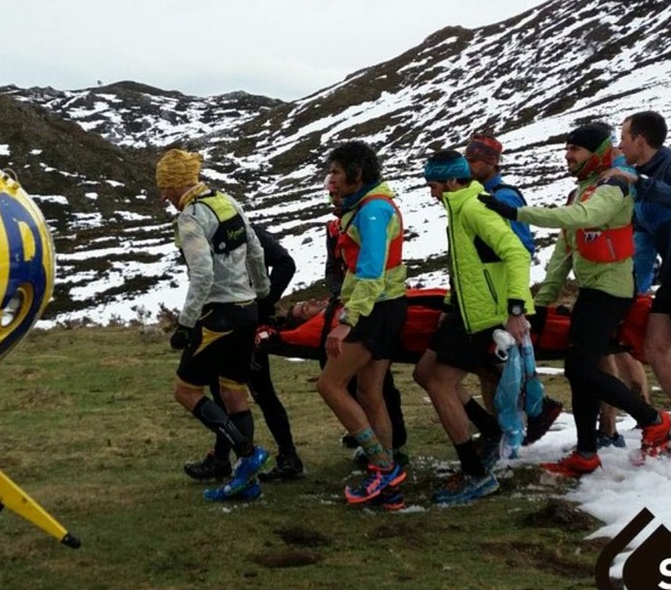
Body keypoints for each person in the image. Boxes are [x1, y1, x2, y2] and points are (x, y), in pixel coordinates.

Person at [481, 122, 671, 475]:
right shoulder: (582, 191)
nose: (567, 156)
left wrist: (515, 212)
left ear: (596, 153)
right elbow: (564, 253)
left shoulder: (613, 186)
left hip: (612, 290)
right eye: (567, 149)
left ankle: (654, 419)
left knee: (580, 367)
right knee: (580, 372)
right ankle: (586, 452)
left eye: (575, 150)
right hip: (592, 290)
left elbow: (585, 218)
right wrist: (541, 304)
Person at [414, 150, 533, 504]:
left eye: (434, 186)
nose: (432, 193)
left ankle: (475, 474)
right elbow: (468, 267)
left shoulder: (475, 208)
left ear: (453, 181)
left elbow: (516, 252)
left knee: (439, 382)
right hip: (465, 313)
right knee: (424, 373)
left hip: (485, 316)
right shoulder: (460, 209)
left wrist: (515, 309)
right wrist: (450, 305)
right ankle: (491, 428)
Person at [157, 149, 271, 501]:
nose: (164, 196)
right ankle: (244, 481)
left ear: (175, 186)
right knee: (234, 392)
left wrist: (186, 323)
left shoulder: (191, 217)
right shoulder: (227, 201)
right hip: (247, 310)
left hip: (217, 316)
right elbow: (255, 251)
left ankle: (249, 456)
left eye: (165, 188)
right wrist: (262, 294)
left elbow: (203, 273)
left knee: (186, 391)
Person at [315, 141, 408, 506]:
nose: (330, 181)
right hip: (386, 306)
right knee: (370, 392)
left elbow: (371, 270)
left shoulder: (372, 212)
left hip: (375, 309)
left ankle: (383, 466)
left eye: (336, 173)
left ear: (356, 174)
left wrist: (347, 321)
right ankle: (389, 486)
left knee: (330, 384)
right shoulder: (367, 207)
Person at [463, 133, 565, 448]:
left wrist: (514, 302)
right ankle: (507, 426)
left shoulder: (504, 197)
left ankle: (522, 419)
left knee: (500, 365)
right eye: (467, 160)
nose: (469, 166)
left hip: (502, 296)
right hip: (489, 295)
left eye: (475, 161)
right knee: (489, 367)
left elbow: (521, 246)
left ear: (492, 163)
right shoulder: (479, 194)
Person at [184, 222, 305, 482]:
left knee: (260, 392)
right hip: (222, 323)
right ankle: (222, 460)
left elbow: (286, 263)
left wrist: (263, 303)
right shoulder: (205, 234)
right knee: (222, 392)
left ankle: (286, 457)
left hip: (245, 323)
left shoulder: (245, 231)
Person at [608, 110, 671, 439]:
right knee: (654, 348)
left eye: (624, 138)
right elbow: (642, 238)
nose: (620, 145)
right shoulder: (636, 172)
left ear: (640, 140)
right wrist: (631, 292)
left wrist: (640, 182)